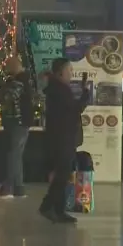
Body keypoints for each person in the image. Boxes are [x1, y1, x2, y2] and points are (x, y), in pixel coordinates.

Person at [39, 58, 89, 223]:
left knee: (64, 173)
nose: (71, 73)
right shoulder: (60, 90)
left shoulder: (56, 89)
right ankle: (48, 206)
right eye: (69, 70)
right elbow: (75, 109)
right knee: (62, 173)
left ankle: (59, 210)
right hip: (62, 137)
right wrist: (86, 94)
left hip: (61, 136)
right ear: (60, 71)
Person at [0, 57, 35, 199]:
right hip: (22, 122)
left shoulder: (19, 82)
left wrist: (0, 89)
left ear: (15, 65)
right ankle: (19, 188)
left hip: (18, 122)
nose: (6, 69)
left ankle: (8, 188)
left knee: (14, 155)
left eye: (8, 66)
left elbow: (5, 97)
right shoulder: (24, 80)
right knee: (16, 155)